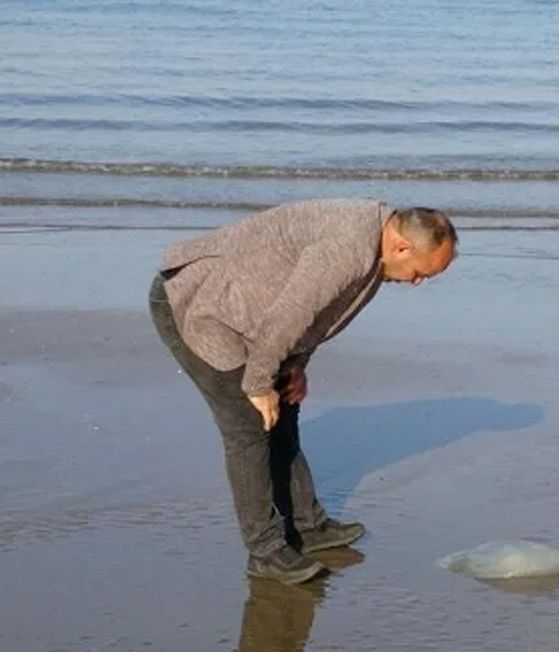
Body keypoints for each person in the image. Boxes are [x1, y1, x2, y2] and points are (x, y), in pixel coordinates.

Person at [149, 199, 457, 584]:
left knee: (284, 408)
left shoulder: (376, 250)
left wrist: (295, 366)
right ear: (402, 247)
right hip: (197, 304)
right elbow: (290, 314)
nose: (416, 282)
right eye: (419, 273)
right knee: (248, 426)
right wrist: (260, 382)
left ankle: (306, 527)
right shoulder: (347, 250)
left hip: (249, 316)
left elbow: (318, 316)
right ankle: (265, 551)